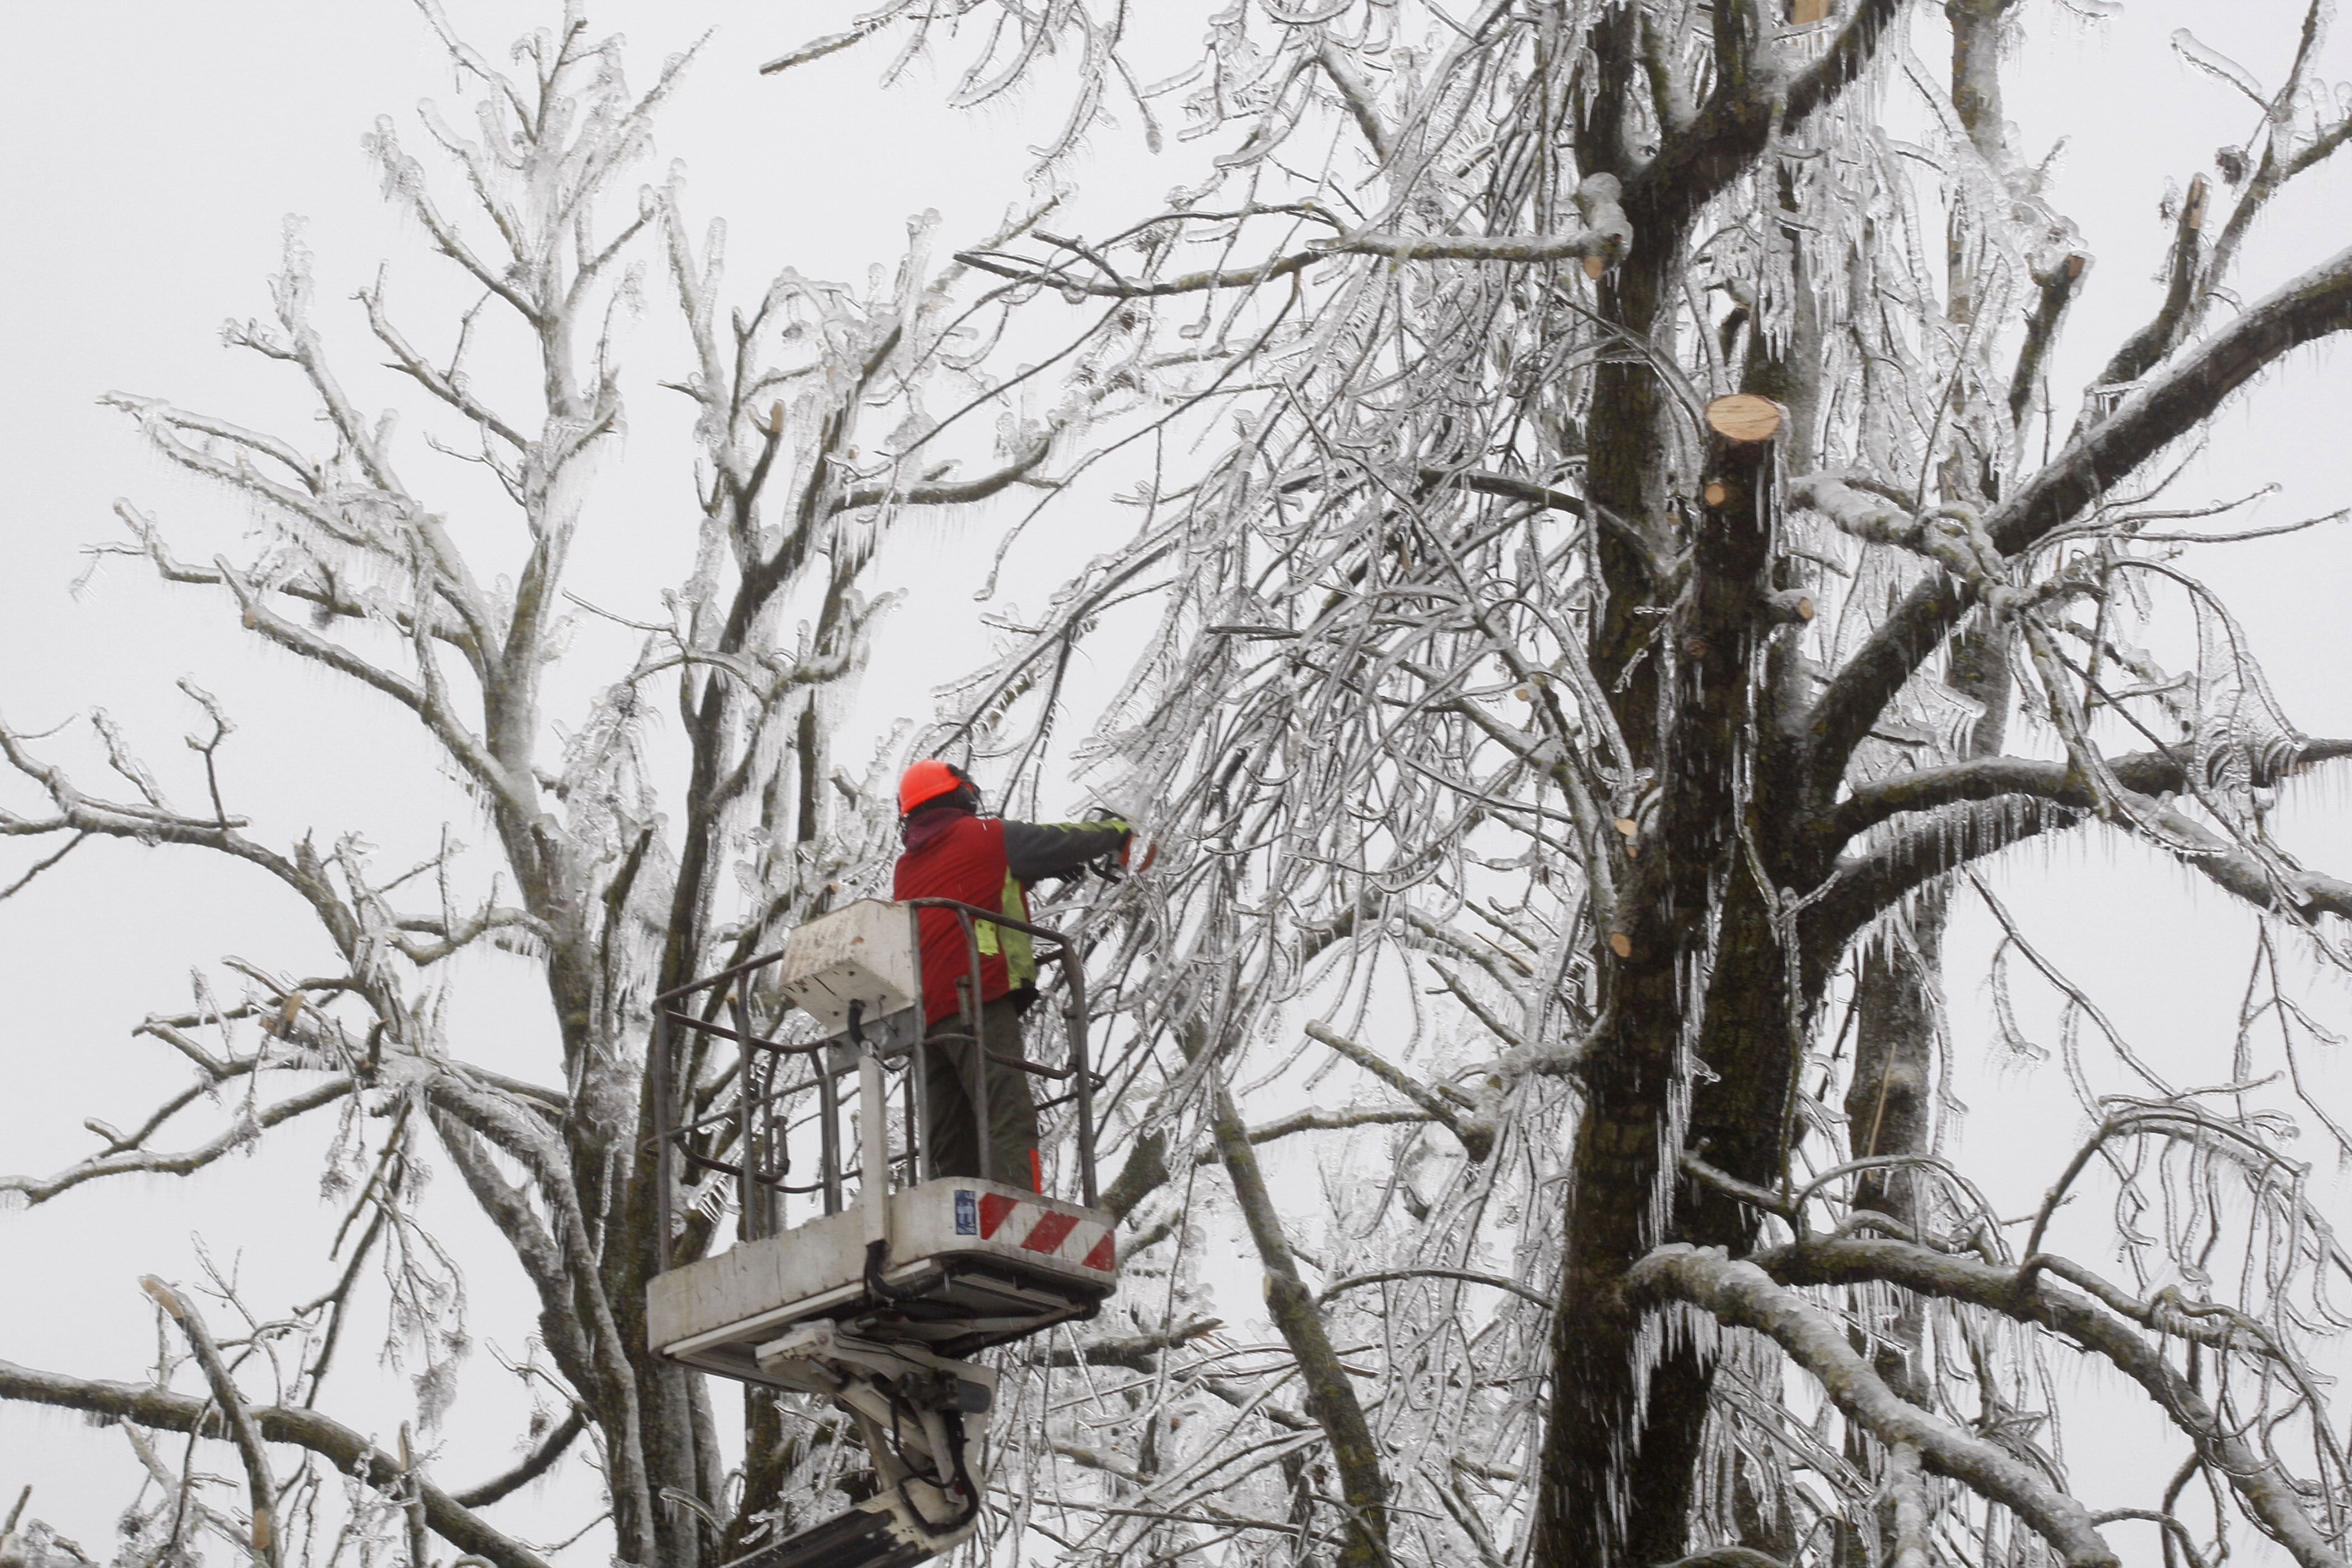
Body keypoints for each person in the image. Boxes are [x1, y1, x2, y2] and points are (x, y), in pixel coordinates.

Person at [892, 759, 1133, 1188]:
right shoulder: (985, 836)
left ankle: (953, 1230)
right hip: (977, 1001)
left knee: (949, 1139)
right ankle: (1018, 1216)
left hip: (925, 1020)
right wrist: (1118, 831)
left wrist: (1029, 872)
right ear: (963, 796)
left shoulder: (906, 868)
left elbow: (967, 879)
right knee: (1008, 1115)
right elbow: (1061, 840)